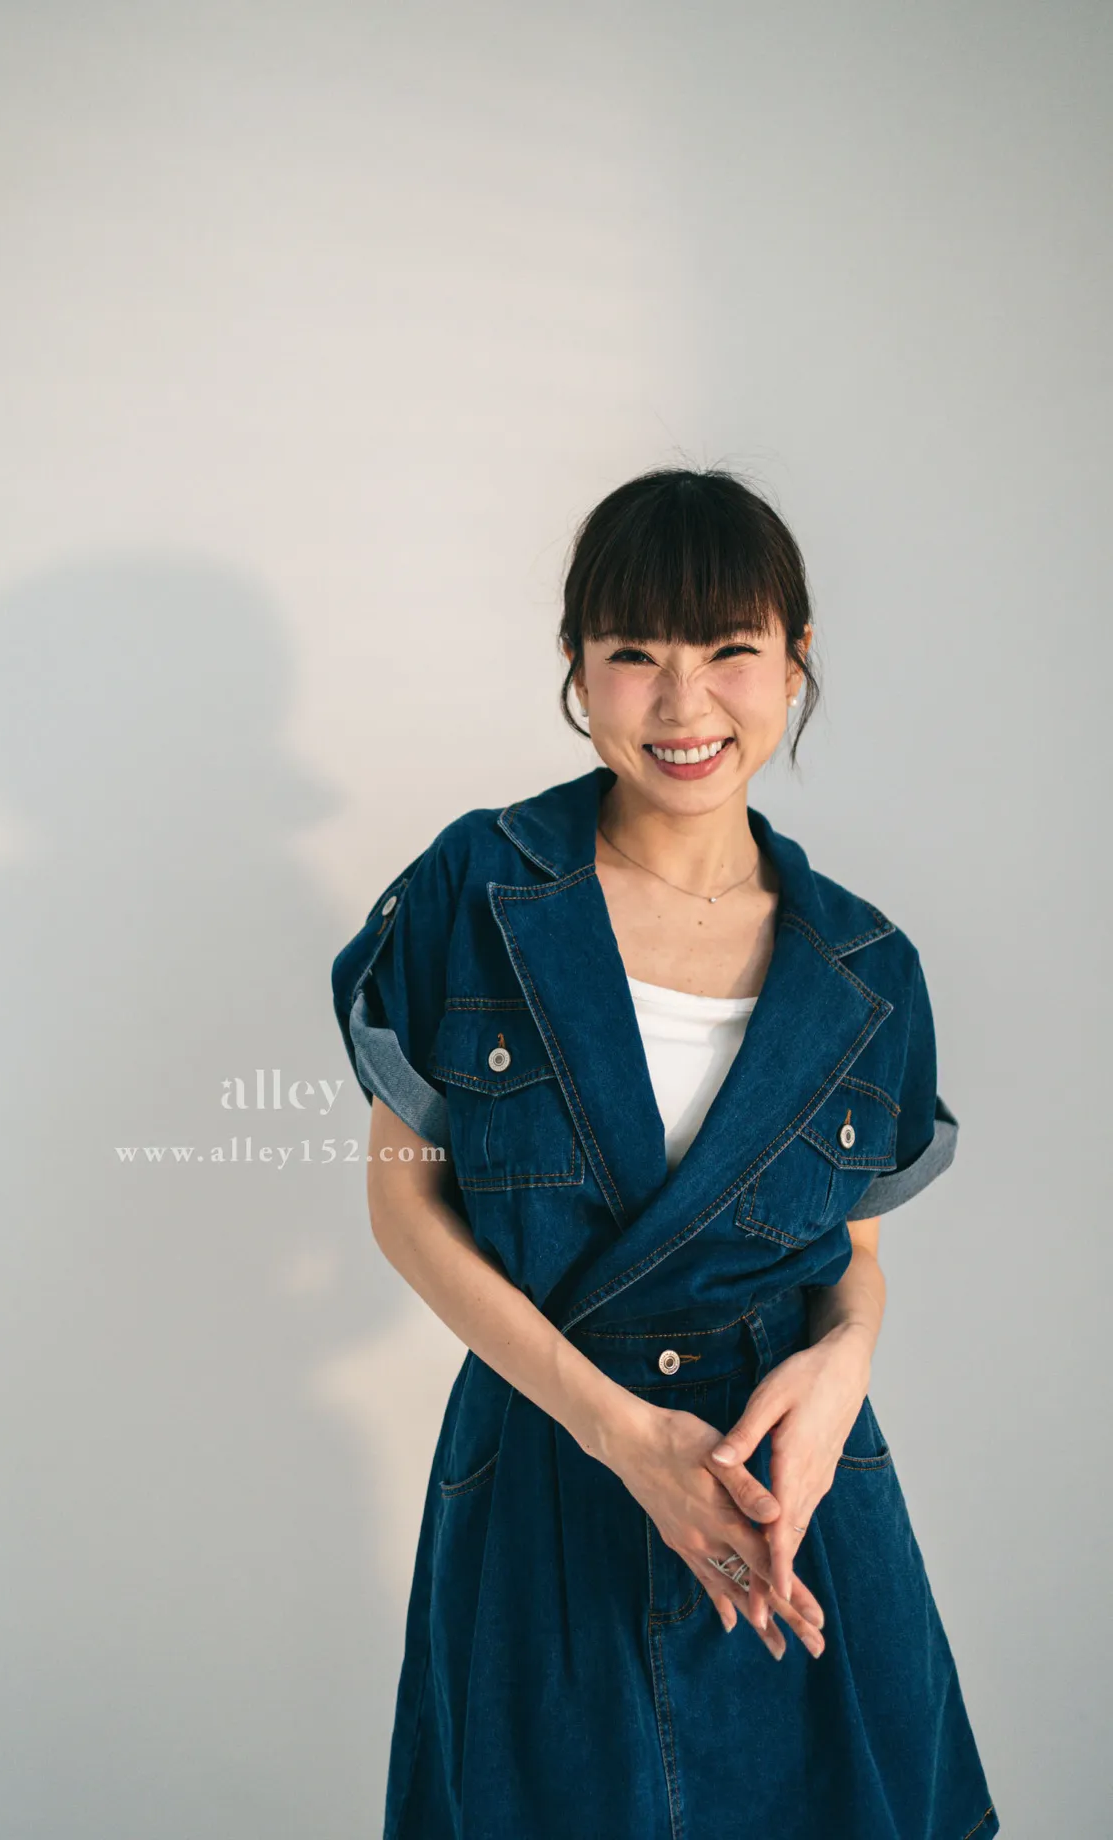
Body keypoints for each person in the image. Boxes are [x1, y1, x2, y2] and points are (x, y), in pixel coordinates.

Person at [330, 468, 999, 1840]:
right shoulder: (482, 889)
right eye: (634, 652)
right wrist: (619, 1433)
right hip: (551, 1468)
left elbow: (851, 1256)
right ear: (578, 668)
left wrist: (841, 1371)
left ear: (796, 659)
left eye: (730, 649)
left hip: (793, 1500)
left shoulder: (866, 967)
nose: (684, 705)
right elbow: (405, 1212)